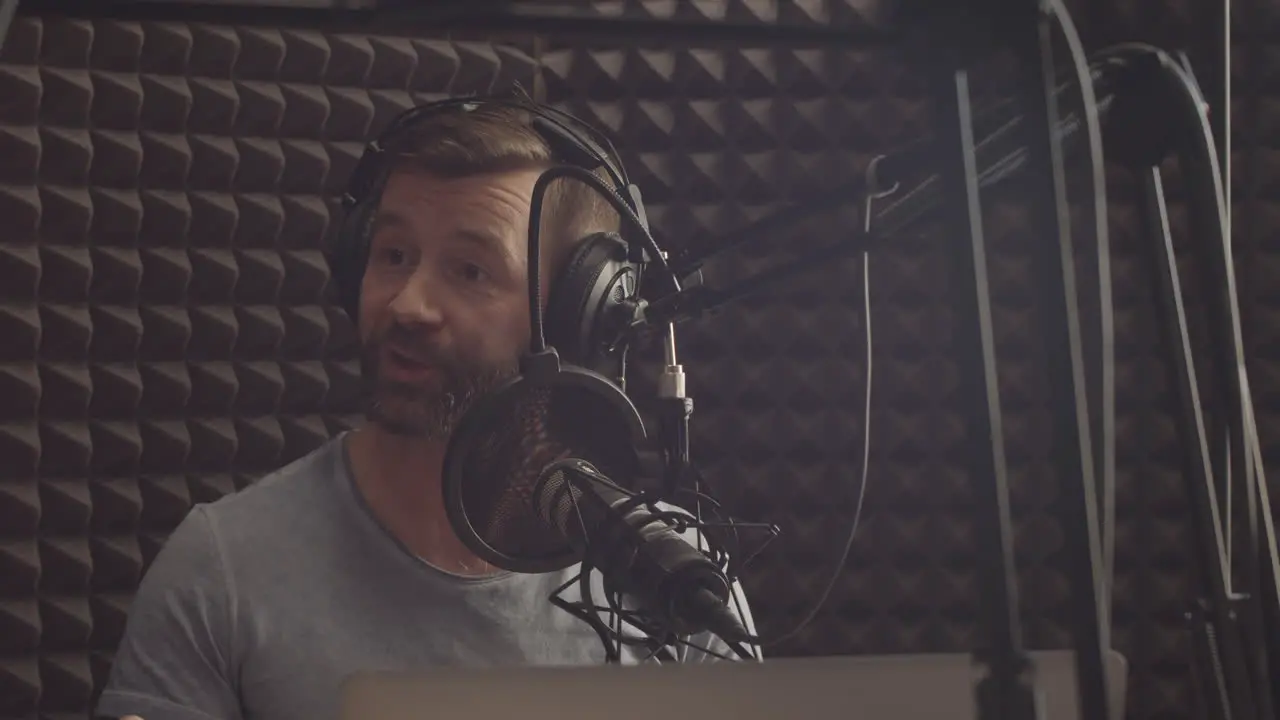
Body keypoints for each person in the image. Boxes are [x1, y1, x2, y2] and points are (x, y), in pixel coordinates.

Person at [95, 94, 758, 720]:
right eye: (394, 255)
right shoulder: (224, 568)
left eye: (469, 271)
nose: (408, 303)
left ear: (575, 317)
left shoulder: (677, 577)